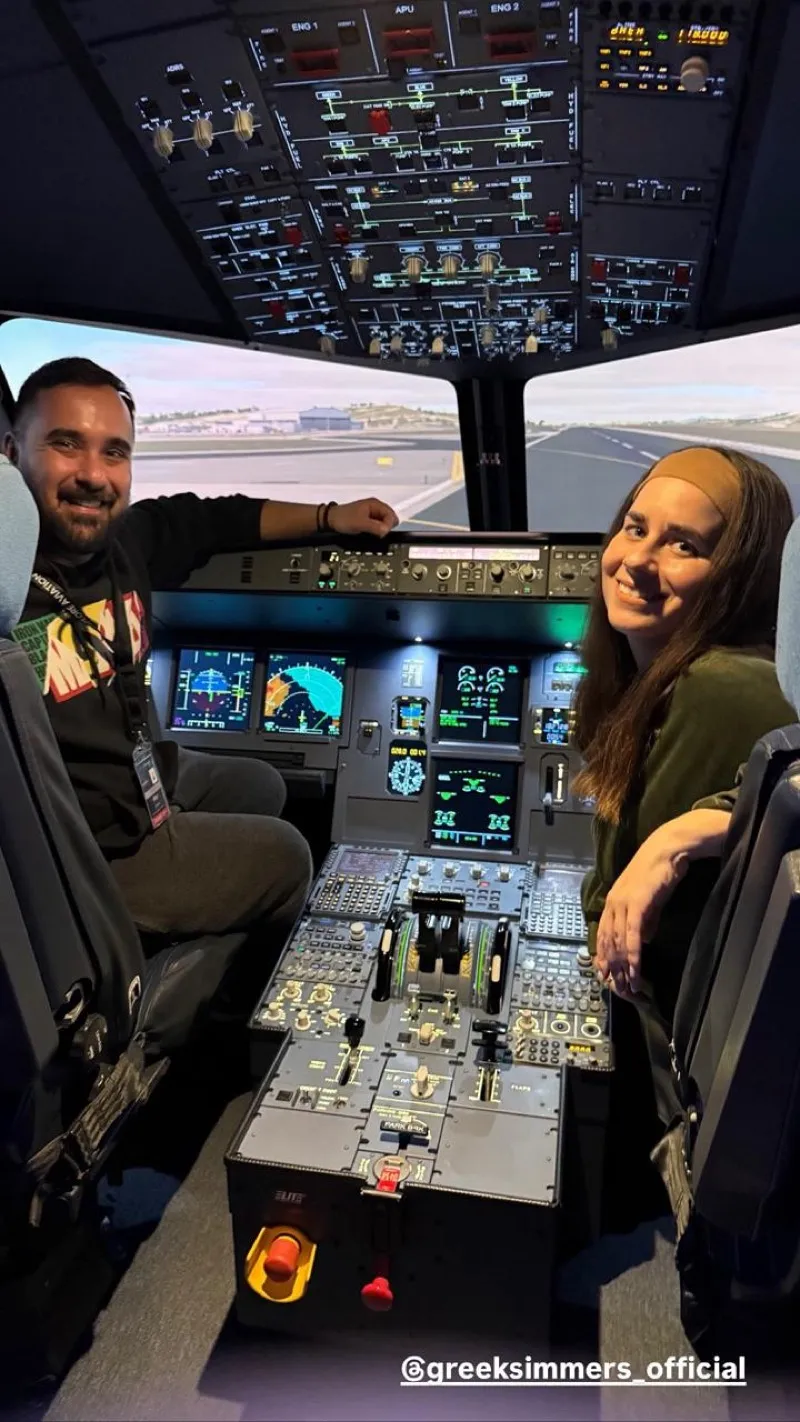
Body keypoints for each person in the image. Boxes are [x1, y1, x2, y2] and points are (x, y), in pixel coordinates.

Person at [5, 356, 398, 978]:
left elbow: (218, 516)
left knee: (264, 785)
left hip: (131, 784)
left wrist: (330, 516)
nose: (93, 475)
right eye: (65, 445)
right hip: (85, 852)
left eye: (115, 453)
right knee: (289, 856)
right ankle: (204, 1028)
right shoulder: (7, 592)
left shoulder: (124, 543)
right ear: (11, 451)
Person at [573, 446, 795, 1117]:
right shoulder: (657, 678)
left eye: (684, 545)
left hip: (674, 1072)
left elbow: (607, 915)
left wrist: (691, 828)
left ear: (737, 577)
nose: (637, 561)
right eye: (635, 528)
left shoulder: (718, 685)